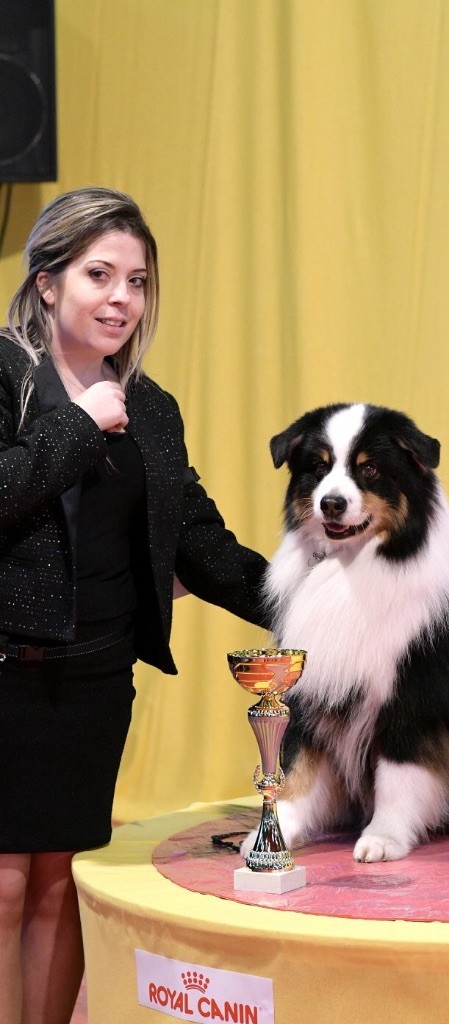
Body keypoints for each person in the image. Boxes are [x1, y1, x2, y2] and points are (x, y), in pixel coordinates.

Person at [0, 187, 269, 1024]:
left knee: (62, 882)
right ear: (47, 282)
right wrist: (79, 426)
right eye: (100, 275)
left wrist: (316, 608)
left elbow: (200, 541)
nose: (122, 298)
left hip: (95, 680)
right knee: (4, 885)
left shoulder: (151, 408)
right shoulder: (4, 375)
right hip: (5, 674)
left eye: (138, 281)